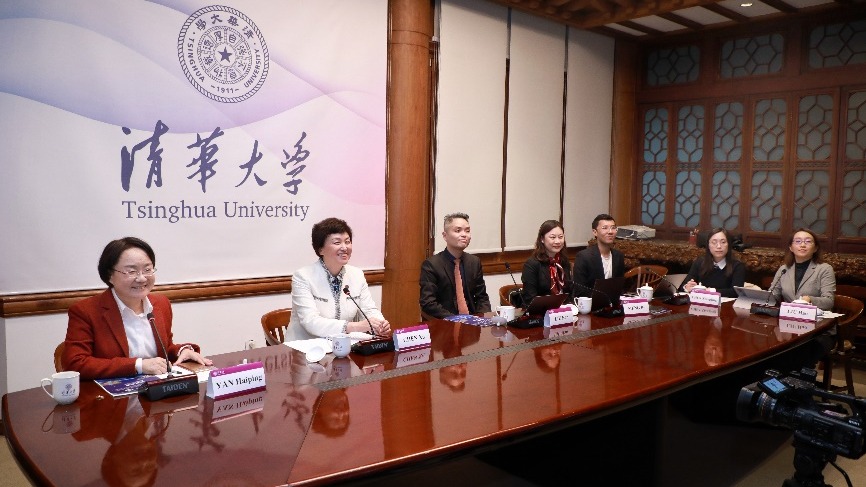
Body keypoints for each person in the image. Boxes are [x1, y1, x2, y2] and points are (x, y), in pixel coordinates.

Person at [62, 237, 212, 380]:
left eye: (147, 269)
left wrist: (181, 351)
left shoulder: (161, 304)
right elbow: (75, 363)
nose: (141, 278)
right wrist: (138, 365)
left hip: (156, 391)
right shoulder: (86, 311)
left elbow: (163, 349)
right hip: (112, 395)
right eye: (131, 271)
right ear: (110, 275)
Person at [287, 217, 390, 341]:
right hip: (306, 347)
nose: (344, 247)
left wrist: (380, 324)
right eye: (337, 242)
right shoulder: (303, 277)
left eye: (347, 241)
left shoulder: (357, 275)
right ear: (321, 249)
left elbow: (368, 309)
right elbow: (311, 322)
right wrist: (355, 326)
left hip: (342, 345)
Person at [419, 212, 491, 318]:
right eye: (458, 230)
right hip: (446, 322)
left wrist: (482, 318)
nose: (464, 235)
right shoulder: (431, 265)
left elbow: (482, 297)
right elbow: (428, 303)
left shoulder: (474, 262)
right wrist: (456, 319)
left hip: (473, 321)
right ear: (445, 236)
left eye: (467, 231)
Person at [769, 228, 836, 310]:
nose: (802, 245)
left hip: (814, 316)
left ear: (815, 248)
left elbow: (829, 301)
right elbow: (773, 295)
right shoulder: (784, 269)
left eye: (808, 241)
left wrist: (810, 300)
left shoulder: (825, 269)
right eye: (798, 241)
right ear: (791, 247)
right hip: (788, 315)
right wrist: (758, 292)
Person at [680, 228, 745, 298]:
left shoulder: (737, 266)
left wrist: (710, 291)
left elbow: (735, 292)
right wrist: (686, 287)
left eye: (723, 242)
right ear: (708, 245)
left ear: (728, 245)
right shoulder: (699, 262)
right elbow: (681, 286)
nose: (719, 246)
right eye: (714, 242)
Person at [572, 214, 625, 298]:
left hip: (613, 303)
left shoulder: (618, 256)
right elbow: (580, 291)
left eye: (613, 228)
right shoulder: (584, 257)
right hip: (591, 303)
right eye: (605, 228)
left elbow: (620, 287)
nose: (610, 232)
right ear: (595, 232)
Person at [521, 220, 572, 305]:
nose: (557, 241)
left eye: (560, 237)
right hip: (541, 310)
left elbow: (569, 292)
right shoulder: (532, 264)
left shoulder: (563, 261)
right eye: (552, 237)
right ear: (542, 239)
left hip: (564, 310)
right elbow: (530, 299)